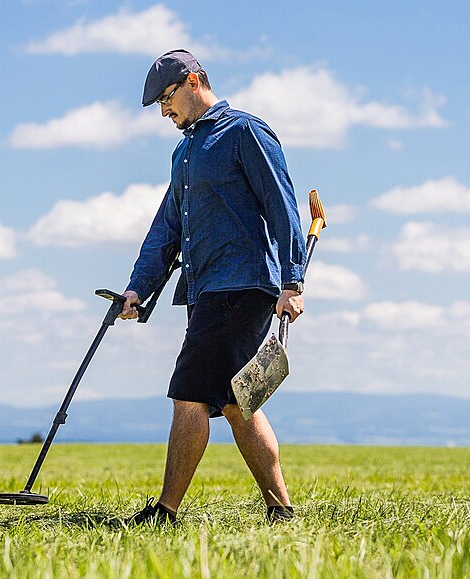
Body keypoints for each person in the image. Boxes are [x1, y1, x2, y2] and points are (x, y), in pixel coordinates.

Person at [121, 49, 307, 524]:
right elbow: (167, 228)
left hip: (242, 285)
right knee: (236, 400)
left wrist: (292, 279)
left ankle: (166, 511)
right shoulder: (184, 151)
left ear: (194, 80)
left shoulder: (244, 131)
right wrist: (138, 289)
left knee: (188, 392)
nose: (165, 111)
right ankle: (281, 509)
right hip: (207, 288)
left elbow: (283, 205)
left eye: (167, 98)